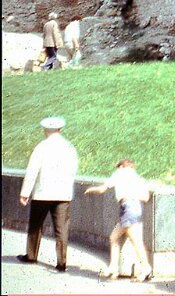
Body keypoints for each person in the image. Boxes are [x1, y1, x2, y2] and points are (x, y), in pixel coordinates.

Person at [17, 116, 78, 271]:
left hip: (43, 193)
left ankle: (31, 256)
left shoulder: (41, 147)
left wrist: (25, 193)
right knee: (62, 228)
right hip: (63, 193)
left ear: (45, 130)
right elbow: (73, 170)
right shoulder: (69, 147)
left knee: (36, 225)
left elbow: (32, 171)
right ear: (60, 129)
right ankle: (62, 262)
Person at [84, 159, 152, 282]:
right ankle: (113, 267)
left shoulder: (119, 173)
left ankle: (146, 268)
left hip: (127, 207)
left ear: (121, 166)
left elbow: (101, 189)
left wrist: (90, 190)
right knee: (114, 237)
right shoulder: (138, 178)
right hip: (135, 207)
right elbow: (146, 198)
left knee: (135, 240)